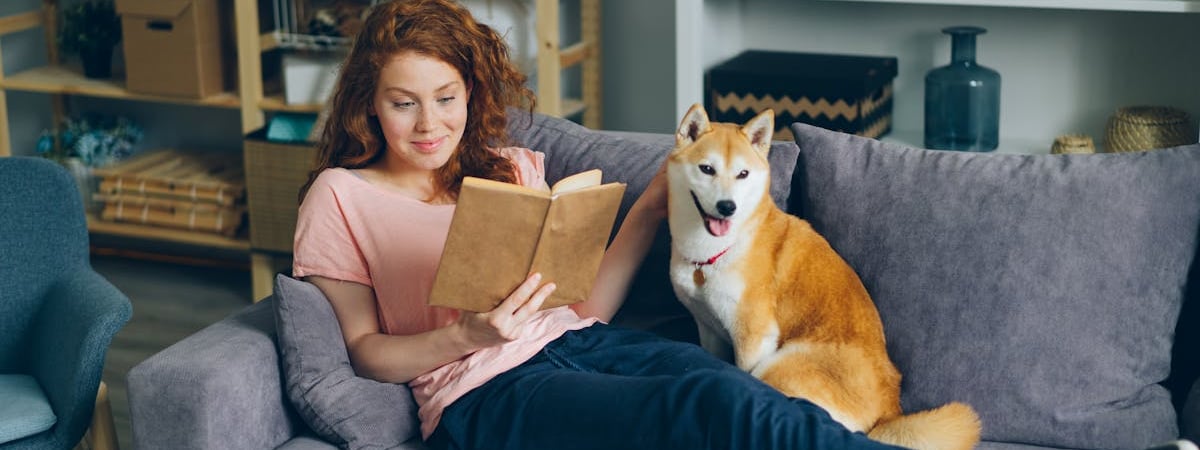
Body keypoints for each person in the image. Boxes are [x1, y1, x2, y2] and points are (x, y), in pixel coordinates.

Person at [292, 1, 907, 449]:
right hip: (482, 393)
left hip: (582, 342)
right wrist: (466, 335)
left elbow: (581, 309)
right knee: (704, 402)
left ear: (471, 93)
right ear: (370, 102)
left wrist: (650, 207)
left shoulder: (510, 168)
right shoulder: (340, 196)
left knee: (744, 394)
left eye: (446, 98)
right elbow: (365, 355)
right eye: (404, 103)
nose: (429, 123)